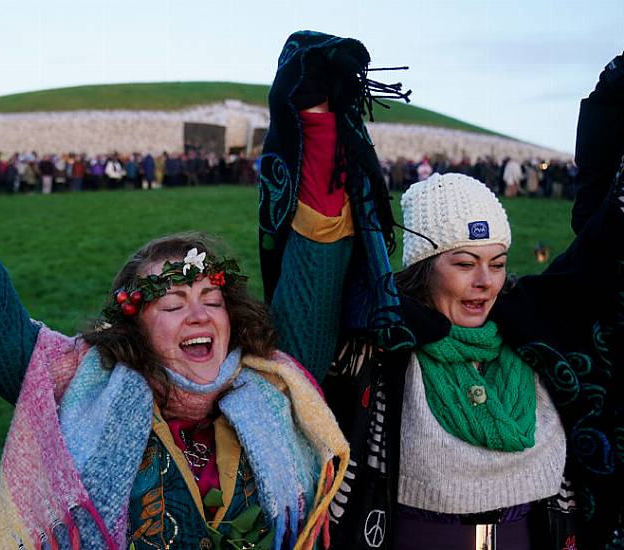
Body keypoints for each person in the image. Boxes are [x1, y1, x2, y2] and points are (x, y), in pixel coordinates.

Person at [0, 118, 350, 549]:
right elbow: (6, 341)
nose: (199, 316)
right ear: (135, 328)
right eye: (172, 305)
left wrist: (318, 120)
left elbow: (314, 288)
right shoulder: (87, 383)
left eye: (212, 301)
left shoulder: (274, 383)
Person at [260, 32, 624, 549]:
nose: (485, 281)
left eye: (497, 263)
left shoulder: (529, 333)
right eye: (464, 262)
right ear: (426, 267)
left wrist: (610, 117)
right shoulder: (383, 349)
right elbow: (310, 303)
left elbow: (598, 261)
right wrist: (319, 133)